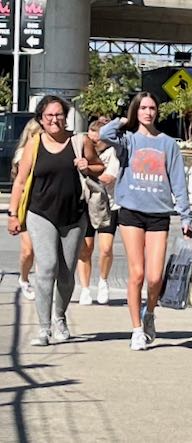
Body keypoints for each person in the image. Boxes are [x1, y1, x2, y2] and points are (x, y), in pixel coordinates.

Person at [7, 95, 104, 346]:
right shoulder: (34, 144)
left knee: (66, 273)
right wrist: (13, 214)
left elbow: (100, 168)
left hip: (74, 216)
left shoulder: (80, 141)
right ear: (41, 119)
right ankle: (43, 328)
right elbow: (20, 181)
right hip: (40, 213)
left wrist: (86, 166)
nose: (54, 119)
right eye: (49, 115)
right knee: (47, 266)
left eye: (59, 114)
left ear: (66, 117)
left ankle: (60, 318)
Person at [100, 92, 192, 351]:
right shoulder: (127, 140)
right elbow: (104, 134)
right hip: (131, 212)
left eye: (152, 108)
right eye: (143, 108)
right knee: (137, 273)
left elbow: (178, 182)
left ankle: (149, 313)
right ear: (136, 111)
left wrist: (186, 216)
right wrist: (123, 120)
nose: (148, 112)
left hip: (158, 214)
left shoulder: (168, 144)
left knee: (154, 277)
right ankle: (136, 330)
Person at [77, 119, 120, 306]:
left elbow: (108, 178)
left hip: (108, 204)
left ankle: (103, 280)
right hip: (86, 203)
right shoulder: (82, 152)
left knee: (106, 248)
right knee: (85, 249)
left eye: (96, 141)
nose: (93, 144)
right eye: (90, 140)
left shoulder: (113, 153)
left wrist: (89, 170)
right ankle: (85, 289)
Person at [11, 119, 41, 301]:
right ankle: (24, 278)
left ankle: (42, 283)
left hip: (45, 205)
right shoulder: (22, 155)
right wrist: (13, 213)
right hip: (27, 205)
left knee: (44, 251)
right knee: (28, 250)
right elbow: (19, 182)